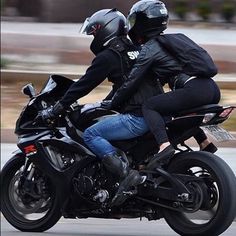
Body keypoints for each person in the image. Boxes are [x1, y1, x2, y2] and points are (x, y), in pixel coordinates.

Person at [37, 8, 163, 206]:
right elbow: (127, 84)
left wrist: (58, 107)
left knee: (91, 134)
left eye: (94, 33)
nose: (93, 38)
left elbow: (83, 85)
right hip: (157, 113)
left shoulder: (109, 56)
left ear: (106, 30)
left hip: (138, 118)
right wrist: (107, 102)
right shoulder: (137, 51)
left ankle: (126, 174)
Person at [108, 0, 221, 169]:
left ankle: (163, 146)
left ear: (141, 23)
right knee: (175, 111)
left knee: (150, 106)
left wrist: (114, 102)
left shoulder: (150, 48)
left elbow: (133, 80)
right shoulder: (174, 40)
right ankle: (204, 142)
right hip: (211, 88)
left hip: (194, 89)